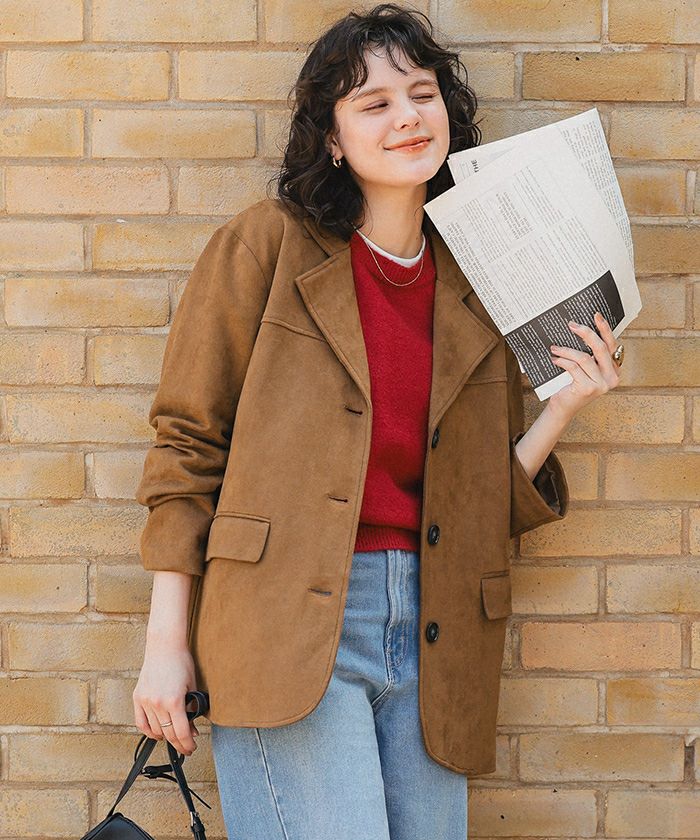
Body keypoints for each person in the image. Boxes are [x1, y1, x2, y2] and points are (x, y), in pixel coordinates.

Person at [132, 5, 623, 839]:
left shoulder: (478, 278)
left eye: (422, 95)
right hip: (288, 622)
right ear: (332, 137)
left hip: (439, 631)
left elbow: (479, 500)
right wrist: (165, 643)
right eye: (375, 103)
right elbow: (188, 445)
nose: (407, 117)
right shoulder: (266, 246)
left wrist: (565, 407)